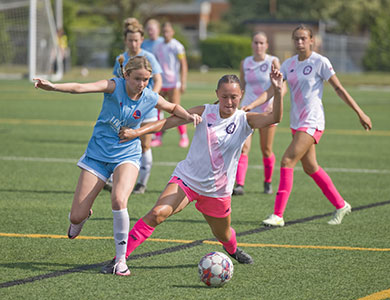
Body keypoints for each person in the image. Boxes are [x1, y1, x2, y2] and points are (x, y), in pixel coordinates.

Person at [101, 68, 285, 275]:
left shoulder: (245, 120)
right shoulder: (204, 111)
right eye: (224, 97)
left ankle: (232, 249)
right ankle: (120, 258)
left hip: (217, 191)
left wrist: (277, 92)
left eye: (233, 97)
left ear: (241, 94)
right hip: (187, 180)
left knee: (223, 234)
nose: (229, 102)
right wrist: (137, 132)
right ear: (217, 94)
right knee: (157, 213)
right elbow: (167, 122)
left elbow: (274, 117)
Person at [34, 56, 201, 276]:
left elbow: (172, 107)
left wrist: (189, 116)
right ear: (126, 75)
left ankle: (121, 261)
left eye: (146, 80)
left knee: (119, 199)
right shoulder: (113, 86)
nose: (141, 84)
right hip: (97, 155)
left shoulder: (149, 96)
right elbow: (80, 87)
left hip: (127, 154)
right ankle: (82, 216)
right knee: (76, 216)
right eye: (137, 79)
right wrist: (53, 86)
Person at [255, 25, 372, 227]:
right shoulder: (289, 64)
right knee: (310, 167)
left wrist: (359, 112)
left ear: (312, 40)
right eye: (296, 39)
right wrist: (251, 105)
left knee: (287, 160)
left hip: (312, 121)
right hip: (296, 122)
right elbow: (274, 90)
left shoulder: (320, 62)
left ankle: (278, 215)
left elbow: (339, 88)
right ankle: (341, 204)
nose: (299, 42)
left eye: (303, 39)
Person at [107, 18, 163, 195]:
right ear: (125, 40)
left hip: (146, 110)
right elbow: (117, 83)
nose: (133, 43)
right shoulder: (121, 59)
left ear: (142, 40)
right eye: (130, 40)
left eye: (137, 40)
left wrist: (150, 98)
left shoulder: (149, 57)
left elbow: (159, 81)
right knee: (120, 141)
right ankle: (110, 178)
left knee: (145, 145)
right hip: (125, 110)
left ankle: (142, 183)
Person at [232, 31, 285, 196]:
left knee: (266, 149)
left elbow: (282, 87)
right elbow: (241, 87)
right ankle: (239, 184)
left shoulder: (273, 61)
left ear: (267, 45)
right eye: (256, 42)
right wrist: (236, 107)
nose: (258, 46)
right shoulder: (245, 62)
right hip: (248, 109)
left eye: (262, 43)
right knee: (243, 148)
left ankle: (268, 182)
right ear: (252, 44)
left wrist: (274, 103)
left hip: (267, 111)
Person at [151, 22, 189, 148]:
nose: (166, 33)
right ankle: (158, 136)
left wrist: (183, 82)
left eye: (168, 31)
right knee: (158, 109)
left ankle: (183, 136)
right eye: (164, 31)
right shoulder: (158, 46)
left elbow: (183, 64)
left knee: (176, 110)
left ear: (172, 32)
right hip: (161, 82)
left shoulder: (177, 46)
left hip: (173, 83)